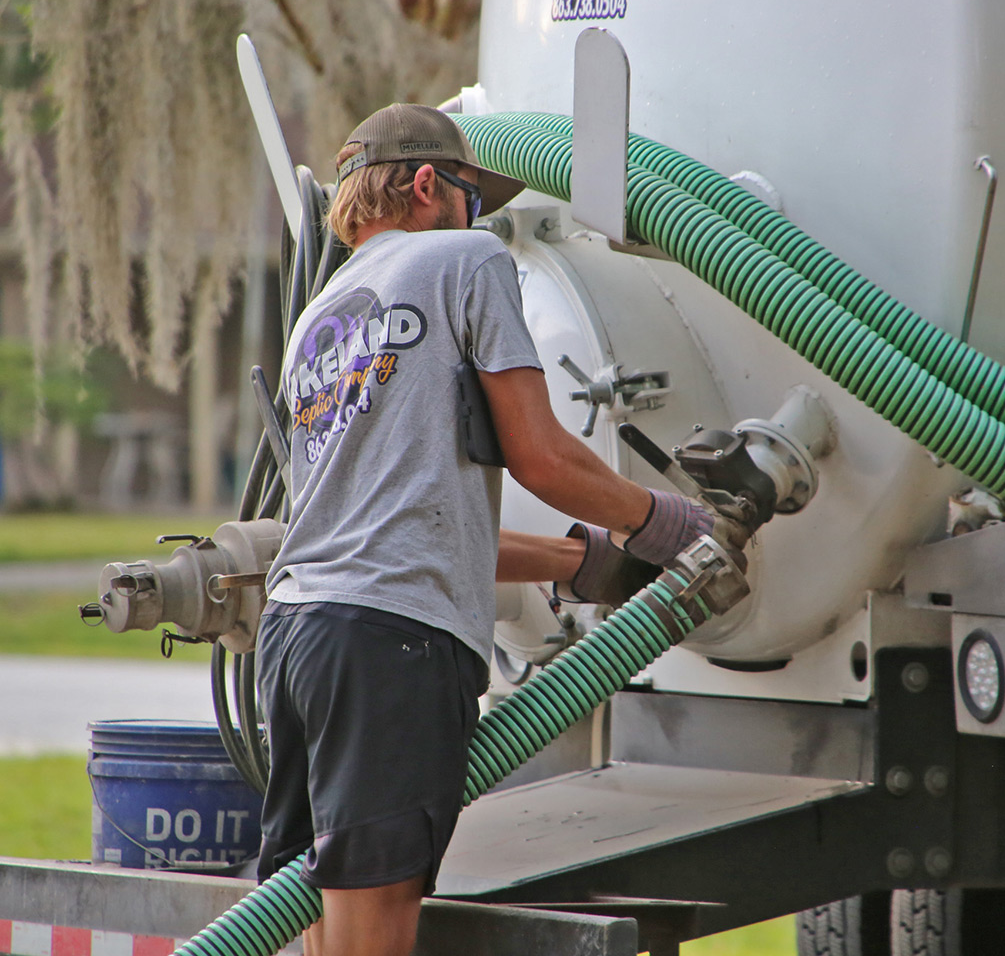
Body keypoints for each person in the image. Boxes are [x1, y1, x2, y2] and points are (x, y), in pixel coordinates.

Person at [255, 103, 718, 956]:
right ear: (429, 185)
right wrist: (667, 521)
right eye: (474, 194)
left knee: (316, 932)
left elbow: (397, 521)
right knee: (374, 935)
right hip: (390, 648)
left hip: (296, 643)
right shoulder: (465, 258)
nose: (484, 216)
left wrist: (578, 561)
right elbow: (540, 457)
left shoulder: (318, 319)